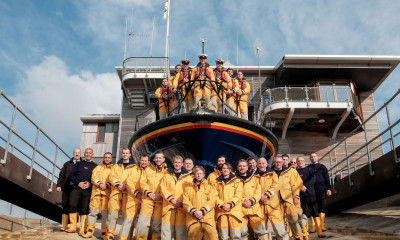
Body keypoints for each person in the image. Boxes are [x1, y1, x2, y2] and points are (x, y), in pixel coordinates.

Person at [135, 151, 168, 240]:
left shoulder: (167, 172)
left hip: (160, 200)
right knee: (142, 223)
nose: (158, 159)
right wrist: (149, 193)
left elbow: (167, 185)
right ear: (154, 159)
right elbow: (143, 183)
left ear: (163, 159)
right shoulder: (148, 170)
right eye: (156, 158)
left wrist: (160, 194)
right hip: (147, 200)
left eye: (160, 158)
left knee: (157, 225)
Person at [106, 147, 136, 240]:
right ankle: (110, 234)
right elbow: (111, 176)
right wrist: (118, 184)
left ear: (130, 155)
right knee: (112, 214)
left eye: (127, 153)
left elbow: (134, 178)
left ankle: (127, 236)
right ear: (121, 154)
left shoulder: (134, 167)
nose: (125, 155)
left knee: (127, 216)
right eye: (123, 153)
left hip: (128, 193)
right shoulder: (116, 166)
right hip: (116, 192)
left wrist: (126, 185)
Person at [66, 148, 97, 235]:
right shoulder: (79, 164)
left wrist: (90, 184)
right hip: (76, 188)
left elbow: (97, 178)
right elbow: (71, 175)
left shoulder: (95, 166)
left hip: (87, 191)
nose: (88, 154)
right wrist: (78, 183)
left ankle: (82, 228)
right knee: (72, 204)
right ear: (84, 154)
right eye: (86, 153)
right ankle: (72, 227)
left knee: (84, 209)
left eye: (90, 153)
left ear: (92, 155)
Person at [236, 159, 270, 240]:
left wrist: (251, 201)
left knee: (261, 231)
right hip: (241, 210)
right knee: (242, 233)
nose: (242, 168)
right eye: (240, 166)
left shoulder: (254, 178)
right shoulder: (233, 179)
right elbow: (233, 194)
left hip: (254, 209)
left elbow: (258, 192)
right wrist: (243, 201)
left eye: (244, 166)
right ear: (237, 167)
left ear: (247, 167)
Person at [82, 152, 113, 239]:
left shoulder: (113, 169)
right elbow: (93, 178)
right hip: (96, 193)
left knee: (105, 214)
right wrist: (99, 184)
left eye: (109, 157)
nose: (107, 159)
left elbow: (114, 179)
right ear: (104, 158)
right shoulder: (97, 168)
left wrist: (106, 185)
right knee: (93, 212)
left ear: (111, 159)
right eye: (106, 157)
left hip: (106, 194)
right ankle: (89, 231)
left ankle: (104, 233)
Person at [160, 155, 191, 240]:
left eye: (179, 162)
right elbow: (163, 189)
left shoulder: (188, 177)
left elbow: (189, 191)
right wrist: (171, 199)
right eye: (175, 162)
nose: (177, 164)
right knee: (166, 232)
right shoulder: (167, 175)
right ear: (173, 163)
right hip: (168, 207)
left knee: (181, 232)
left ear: (182, 164)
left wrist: (182, 201)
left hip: (181, 208)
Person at [183, 166, 218, 240]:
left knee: (213, 237)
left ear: (204, 175)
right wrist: (194, 212)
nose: (199, 175)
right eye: (197, 173)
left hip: (208, 219)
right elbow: (186, 203)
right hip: (193, 220)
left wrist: (202, 211)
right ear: (194, 175)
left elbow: (212, 201)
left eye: (200, 173)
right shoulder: (187, 189)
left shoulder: (210, 188)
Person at [257, 157, 288, 240]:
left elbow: (276, 186)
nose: (261, 165)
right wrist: (258, 197)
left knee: (278, 226)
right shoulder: (254, 176)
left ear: (267, 164)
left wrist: (267, 195)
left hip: (272, 205)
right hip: (259, 205)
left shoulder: (272, 174)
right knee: (262, 228)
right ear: (257, 164)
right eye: (260, 163)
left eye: (263, 163)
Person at [273, 156, 303, 240]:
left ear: (282, 163)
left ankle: (298, 237)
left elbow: (294, 186)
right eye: (276, 162)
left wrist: (296, 196)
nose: (278, 163)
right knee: (280, 222)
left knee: (293, 220)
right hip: (277, 202)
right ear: (274, 163)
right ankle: (282, 237)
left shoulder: (288, 172)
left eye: (279, 162)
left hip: (289, 200)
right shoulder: (271, 173)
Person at [119, 155, 148, 240]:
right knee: (128, 220)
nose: (143, 162)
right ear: (139, 161)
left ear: (148, 162)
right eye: (142, 160)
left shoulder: (151, 171)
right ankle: (123, 238)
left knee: (144, 222)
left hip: (145, 200)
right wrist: (136, 193)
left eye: (145, 161)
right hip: (133, 199)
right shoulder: (133, 170)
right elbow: (129, 183)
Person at [297, 157, 325, 239]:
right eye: (299, 161)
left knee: (315, 212)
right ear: (297, 163)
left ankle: (320, 232)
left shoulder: (309, 169)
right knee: (303, 214)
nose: (300, 162)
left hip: (310, 194)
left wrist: (305, 186)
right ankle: (305, 234)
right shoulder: (295, 172)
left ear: (304, 162)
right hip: (300, 196)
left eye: (302, 161)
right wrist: (300, 188)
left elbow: (313, 178)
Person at [215, 162, 243, 239]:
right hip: (221, 212)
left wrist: (230, 204)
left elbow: (238, 195)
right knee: (223, 236)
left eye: (227, 168)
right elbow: (214, 196)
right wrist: (222, 205)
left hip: (234, 212)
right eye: (224, 168)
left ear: (230, 170)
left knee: (236, 235)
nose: (226, 170)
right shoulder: (216, 182)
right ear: (221, 170)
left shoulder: (237, 181)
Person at [56, 148, 82, 231]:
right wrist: (59, 185)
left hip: (77, 188)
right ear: (73, 154)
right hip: (67, 187)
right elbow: (61, 175)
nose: (77, 154)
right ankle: (64, 225)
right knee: (65, 204)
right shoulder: (67, 164)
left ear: (80, 154)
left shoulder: (82, 164)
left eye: (78, 153)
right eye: (75, 153)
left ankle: (73, 225)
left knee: (74, 205)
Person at [308, 153, 331, 233]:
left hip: (322, 190)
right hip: (312, 191)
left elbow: (327, 178)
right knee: (313, 208)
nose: (313, 158)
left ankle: (322, 225)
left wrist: (329, 188)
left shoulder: (322, 167)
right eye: (311, 157)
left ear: (317, 157)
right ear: (310, 158)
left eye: (314, 156)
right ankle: (315, 226)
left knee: (322, 207)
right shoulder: (308, 168)